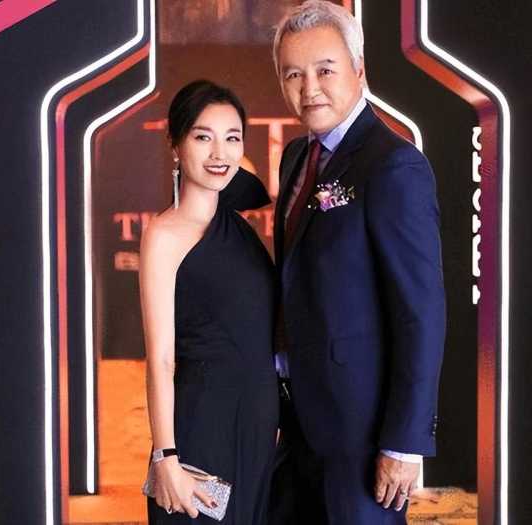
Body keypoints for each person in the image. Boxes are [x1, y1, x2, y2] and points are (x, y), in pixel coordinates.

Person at [269, 2, 447, 524]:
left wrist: (403, 443)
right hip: (299, 422)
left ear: (359, 69)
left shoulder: (394, 165)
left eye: (325, 70)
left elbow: (421, 313)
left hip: (364, 436)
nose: (309, 89)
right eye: (293, 75)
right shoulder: (296, 157)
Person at [140, 80, 279, 524]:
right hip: (202, 429)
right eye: (203, 137)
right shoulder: (164, 235)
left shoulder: (238, 226)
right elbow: (161, 359)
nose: (220, 152)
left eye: (232, 138)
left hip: (257, 429)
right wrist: (166, 457)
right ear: (176, 144)